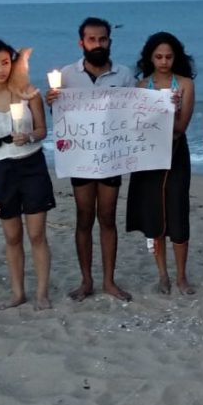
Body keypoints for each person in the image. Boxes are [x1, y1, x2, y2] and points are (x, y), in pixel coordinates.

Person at [46, 17, 134, 302]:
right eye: (92, 39)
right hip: (80, 156)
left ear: (110, 41)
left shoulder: (124, 75)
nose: (98, 44)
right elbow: (61, 119)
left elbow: (135, 114)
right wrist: (52, 102)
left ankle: (109, 281)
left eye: (103, 39)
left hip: (112, 156)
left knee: (107, 217)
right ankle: (86, 281)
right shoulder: (67, 75)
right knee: (83, 218)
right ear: (81, 42)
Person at [0, 39, 55, 310]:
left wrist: (30, 135)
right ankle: (18, 292)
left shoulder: (28, 93)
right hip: (0, 170)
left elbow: (43, 130)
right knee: (11, 236)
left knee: (37, 234)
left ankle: (41, 293)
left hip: (31, 166)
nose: (0, 70)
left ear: (13, 63)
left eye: (5, 63)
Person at [126, 31, 197, 295]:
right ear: (150, 58)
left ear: (176, 57)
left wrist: (172, 109)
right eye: (158, 57)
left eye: (168, 56)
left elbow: (180, 127)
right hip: (148, 154)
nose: (164, 61)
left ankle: (181, 275)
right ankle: (163, 274)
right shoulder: (142, 86)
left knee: (178, 210)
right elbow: (136, 125)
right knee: (154, 213)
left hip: (176, 151)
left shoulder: (186, 85)